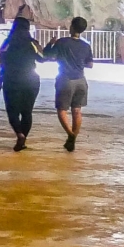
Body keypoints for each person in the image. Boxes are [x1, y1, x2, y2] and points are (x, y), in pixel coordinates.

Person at [43, 16, 93, 152]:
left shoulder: (62, 42)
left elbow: (47, 55)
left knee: (62, 110)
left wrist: (50, 44)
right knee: (77, 110)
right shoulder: (86, 46)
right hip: (81, 81)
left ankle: (71, 136)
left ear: (71, 27)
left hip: (65, 80)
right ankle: (73, 139)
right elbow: (90, 65)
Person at [0, 17, 42, 151]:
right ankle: (23, 140)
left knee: (12, 111)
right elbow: (43, 58)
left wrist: (0, 82)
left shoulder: (7, 43)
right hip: (31, 80)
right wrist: (45, 46)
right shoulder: (32, 43)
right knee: (27, 112)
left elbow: (2, 62)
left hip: (12, 79)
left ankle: (19, 135)